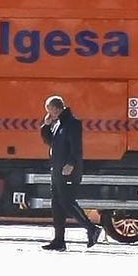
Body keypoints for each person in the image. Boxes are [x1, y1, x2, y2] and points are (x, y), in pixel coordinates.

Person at [40, 95, 101, 251]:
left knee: (67, 202)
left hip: (68, 171)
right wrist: (46, 126)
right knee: (57, 205)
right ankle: (59, 240)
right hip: (57, 170)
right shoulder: (57, 124)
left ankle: (91, 228)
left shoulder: (72, 124)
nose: (48, 113)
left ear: (55, 109)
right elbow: (48, 141)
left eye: (49, 110)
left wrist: (71, 164)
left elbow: (76, 148)